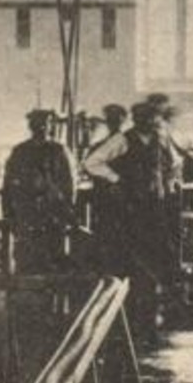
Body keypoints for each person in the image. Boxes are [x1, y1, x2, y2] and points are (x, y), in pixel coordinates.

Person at [86, 98, 183, 318]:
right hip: (132, 206)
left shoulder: (161, 139)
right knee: (133, 250)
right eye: (144, 118)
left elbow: (176, 163)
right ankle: (134, 302)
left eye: (152, 118)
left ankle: (151, 298)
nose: (150, 122)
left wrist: (168, 182)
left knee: (157, 249)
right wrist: (116, 178)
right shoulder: (123, 140)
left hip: (156, 204)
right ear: (136, 119)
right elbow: (92, 162)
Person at [3, 109, 75, 273]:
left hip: (52, 215)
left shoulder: (59, 151)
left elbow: (69, 185)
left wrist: (66, 212)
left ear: (50, 126)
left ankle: (54, 297)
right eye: (37, 123)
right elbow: (8, 185)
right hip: (27, 214)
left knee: (53, 260)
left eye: (46, 123)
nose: (41, 127)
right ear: (30, 126)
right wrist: (9, 214)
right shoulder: (20, 151)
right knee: (25, 260)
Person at [83, 103, 128, 274]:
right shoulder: (105, 145)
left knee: (114, 233)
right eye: (112, 119)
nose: (114, 122)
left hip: (113, 196)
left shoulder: (122, 143)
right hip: (106, 196)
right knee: (108, 233)